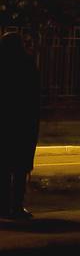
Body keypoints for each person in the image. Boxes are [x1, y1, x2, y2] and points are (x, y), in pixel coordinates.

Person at [0, 31, 40, 221]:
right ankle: (16, 205)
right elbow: (33, 96)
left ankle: (3, 205)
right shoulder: (27, 64)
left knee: (4, 166)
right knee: (20, 167)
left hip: (4, 123)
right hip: (23, 123)